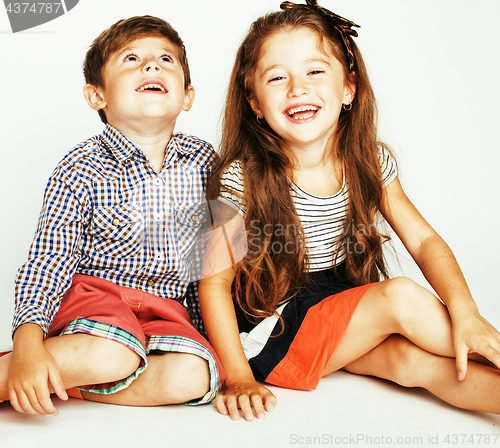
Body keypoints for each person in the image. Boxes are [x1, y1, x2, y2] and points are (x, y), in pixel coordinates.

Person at [198, 0, 500, 422]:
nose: (297, 88)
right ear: (254, 101)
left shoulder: (368, 161)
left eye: (315, 71)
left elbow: (425, 240)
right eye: (277, 77)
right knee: (400, 297)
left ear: (349, 88)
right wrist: (238, 376)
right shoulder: (243, 178)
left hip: (339, 313)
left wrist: (465, 312)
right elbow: (214, 283)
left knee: (412, 364)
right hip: (274, 334)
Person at [0, 15, 225, 415]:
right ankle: (16, 371)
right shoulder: (81, 166)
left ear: (188, 96)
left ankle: (71, 385)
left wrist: (214, 339)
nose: (152, 66)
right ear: (96, 95)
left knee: (197, 375)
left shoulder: (207, 162)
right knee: (113, 353)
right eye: (132, 59)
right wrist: (28, 344)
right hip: (94, 303)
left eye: (166, 60)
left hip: (163, 312)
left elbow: (212, 267)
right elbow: (48, 261)